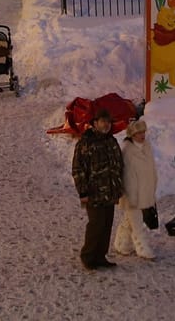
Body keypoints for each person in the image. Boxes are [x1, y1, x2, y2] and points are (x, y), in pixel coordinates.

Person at [73, 109, 124, 271]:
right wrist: (83, 192)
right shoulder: (86, 142)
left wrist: (118, 187)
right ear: (95, 123)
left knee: (107, 224)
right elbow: (78, 168)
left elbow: (118, 165)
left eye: (108, 122)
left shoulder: (112, 141)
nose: (106, 125)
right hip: (94, 192)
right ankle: (88, 256)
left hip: (109, 191)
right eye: (103, 121)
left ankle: (100, 256)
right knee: (96, 224)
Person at [112, 118, 158, 260]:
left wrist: (153, 184)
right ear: (132, 134)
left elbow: (151, 168)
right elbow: (127, 176)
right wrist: (131, 196)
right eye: (139, 133)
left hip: (145, 191)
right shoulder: (127, 150)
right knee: (137, 225)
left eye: (143, 132)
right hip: (133, 194)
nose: (142, 135)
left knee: (130, 220)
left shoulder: (146, 146)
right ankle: (142, 248)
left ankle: (122, 244)